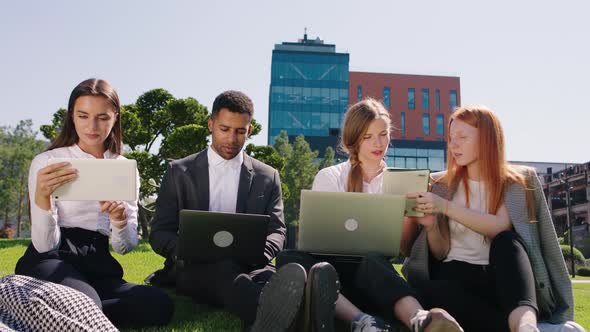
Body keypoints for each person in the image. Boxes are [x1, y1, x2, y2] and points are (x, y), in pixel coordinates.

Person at [148, 90, 331, 331]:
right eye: (224, 129)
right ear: (211, 124)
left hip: (254, 265)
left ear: (250, 130)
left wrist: (259, 255)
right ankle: (295, 316)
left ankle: (274, 314)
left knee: (268, 278)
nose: (232, 139)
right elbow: (160, 232)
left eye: (240, 131)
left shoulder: (268, 176)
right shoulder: (178, 172)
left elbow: (277, 230)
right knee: (227, 271)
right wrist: (187, 249)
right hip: (196, 268)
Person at [278, 99, 463, 332]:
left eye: (383, 134)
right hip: (332, 276)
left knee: (373, 261)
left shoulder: (399, 181)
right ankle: (362, 321)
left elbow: (404, 250)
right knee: (290, 258)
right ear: (353, 139)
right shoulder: (330, 177)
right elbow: (316, 236)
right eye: (368, 136)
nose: (378, 143)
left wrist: (419, 221)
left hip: (374, 279)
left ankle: (420, 320)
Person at [403, 105, 584, 332]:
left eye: (462, 137)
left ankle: (527, 327)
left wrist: (445, 207)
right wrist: (430, 228)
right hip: (455, 278)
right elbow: (439, 254)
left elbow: (499, 227)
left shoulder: (516, 182)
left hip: (502, 279)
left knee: (507, 242)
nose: (453, 145)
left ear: (487, 139)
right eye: (451, 138)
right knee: (430, 290)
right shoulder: (440, 184)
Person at [15, 78, 174, 327]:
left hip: (98, 261)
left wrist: (119, 221)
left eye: (103, 117)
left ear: (115, 118)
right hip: (52, 257)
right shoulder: (48, 161)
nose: (92, 126)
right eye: (83, 115)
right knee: (84, 303)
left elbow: (125, 247)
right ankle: (82, 306)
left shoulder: (124, 168)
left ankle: (54, 308)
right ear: (72, 116)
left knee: (158, 304)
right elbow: (44, 245)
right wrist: (42, 197)